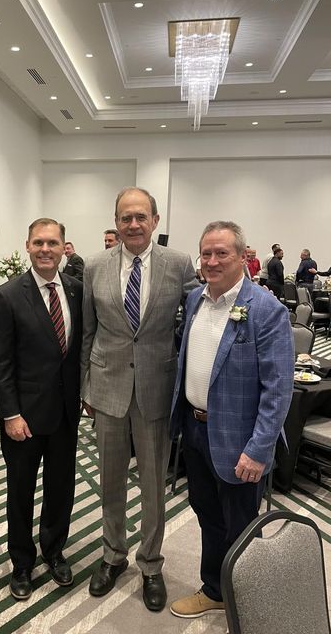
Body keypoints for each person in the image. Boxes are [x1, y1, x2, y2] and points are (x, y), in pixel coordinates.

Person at [169, 221, 293, 620]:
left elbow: (278, 389)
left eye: (222, 253)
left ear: (242, 256)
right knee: (207, 514)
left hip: (241, 440)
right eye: (206, 253)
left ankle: (249, 604)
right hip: (195, 430)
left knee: (241, 525)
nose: (212, 261)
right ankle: (215, 590)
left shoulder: (267, 310)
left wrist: (259, 449)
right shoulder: (195, 300)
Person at [81, 187, 198, 612]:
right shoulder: (94, 265)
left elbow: (197, 318)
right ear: (116, 221)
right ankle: (113, 555)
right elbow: (87, 331)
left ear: (155, 220)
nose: (133, 224)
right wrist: (84, 388)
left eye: (140, 217)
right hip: (107, 388)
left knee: (152, 485)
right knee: (110, 481)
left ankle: (150, 563)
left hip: (155, 390)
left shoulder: (178, 264)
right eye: (125, 217)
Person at [0, 218, 83, 601]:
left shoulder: (77, 290)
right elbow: (1, 362)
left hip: (65, 414)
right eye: (39, 242)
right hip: (23, 418)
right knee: (21, 492)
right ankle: (22, 562)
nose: (46, 249)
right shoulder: (8, 295)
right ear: (27, 246)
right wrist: (9, 414)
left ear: (64, 248)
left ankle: (54, 550)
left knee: (61, 488)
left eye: (53, 243)